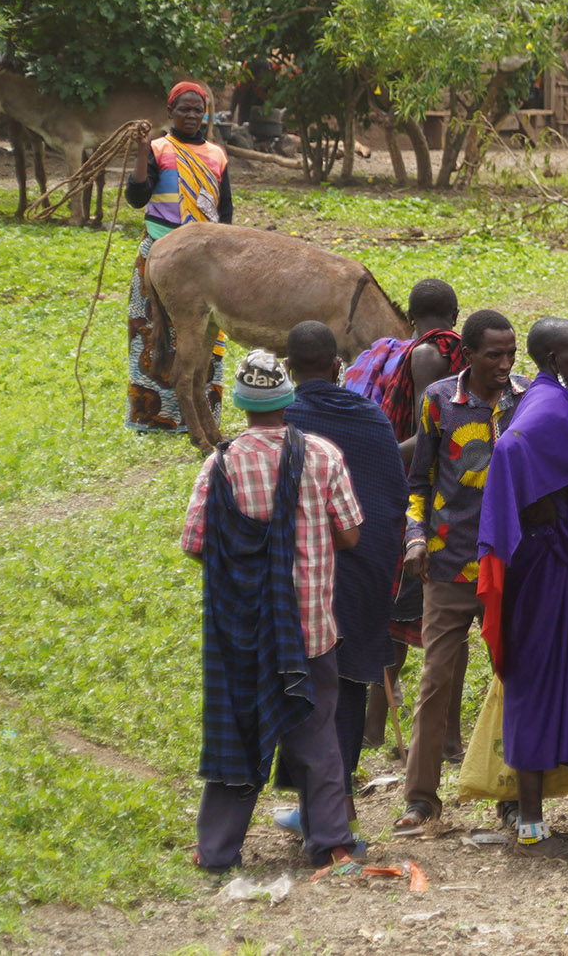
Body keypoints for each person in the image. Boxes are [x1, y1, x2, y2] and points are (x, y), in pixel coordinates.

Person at [185, 350, 363, 871]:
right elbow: (350, 533)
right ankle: (331, 843)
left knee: (235, 733)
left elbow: (195, 542)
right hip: (309, 626)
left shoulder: (220, 464)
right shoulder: (323, 455)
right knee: (316, 731)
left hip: (244, 632)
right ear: (288, 400)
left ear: (241, 404)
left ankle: (216, 851)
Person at [474, 317, 568, 859]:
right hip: (548, 565)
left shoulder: (545, 399)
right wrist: (556, 520)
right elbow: (516, 452)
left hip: (544, 559)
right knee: (534, 684)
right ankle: (531, 828)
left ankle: (533, 822)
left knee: (541, 681)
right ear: (556, 358)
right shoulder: (555, 406)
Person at [394, 309, 527, 831]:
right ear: (468, 355)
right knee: (435, 682)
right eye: (494, 354)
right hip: (448, 568)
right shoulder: (439, 403)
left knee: (512, 681)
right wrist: (415, 537)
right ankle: (421, 799)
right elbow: (419, 481)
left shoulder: (526, 398)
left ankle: (514, 796)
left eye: (510, 353)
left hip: (508, 567)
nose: (504, 363)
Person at [280, 321, 407, 825]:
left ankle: (317, 805)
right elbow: (394, 493)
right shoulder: (372, 417)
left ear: (288, 369)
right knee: (350, 679)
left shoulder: (283, 419)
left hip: (303, 574)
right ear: (338, 366)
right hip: (367, 571)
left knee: (301, 679)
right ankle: (336, 804)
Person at [343, 278, 463, 752]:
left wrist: (379, 454)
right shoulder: (460, 352)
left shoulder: (424, 355)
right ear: (454, 314)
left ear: (411, 318)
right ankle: (383, 730)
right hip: (453, 496)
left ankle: (431, 737)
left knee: (405, 620)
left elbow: (428, 434)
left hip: (423, 500)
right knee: (412, 621)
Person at [125, 81, 230, 434]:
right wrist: (141, 153)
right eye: (183, 109)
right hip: (158, 251)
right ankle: (154, 416)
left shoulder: (217, 155)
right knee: (152, 330)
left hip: (205, 261)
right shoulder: (158, 149)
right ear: (169, 112)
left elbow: (224, 213)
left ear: (205, 114)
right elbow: (137, 198)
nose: (190, 115)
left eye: (197, 110)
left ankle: (200, 415)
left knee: (206, 332)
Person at [341, 278, 464, 461]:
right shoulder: (467, 351)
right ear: (455, 316)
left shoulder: (416, 356)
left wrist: (378, 460)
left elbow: (425, 438)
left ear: (410, 317)